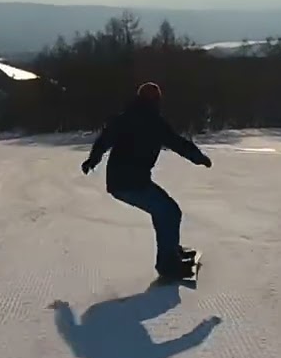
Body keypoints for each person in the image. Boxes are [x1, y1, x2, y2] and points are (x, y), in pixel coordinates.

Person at [81, 81, 212, 279]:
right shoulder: (153, 122)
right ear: (157, 101)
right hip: (129, 183)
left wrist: (93, 159)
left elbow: (104, 140)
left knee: (166, 211)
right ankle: (168, 264)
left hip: (127, 181)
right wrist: (198, 157)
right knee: (168, 212)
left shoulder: (126, 118)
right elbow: (177, 142)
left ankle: (171, 252)